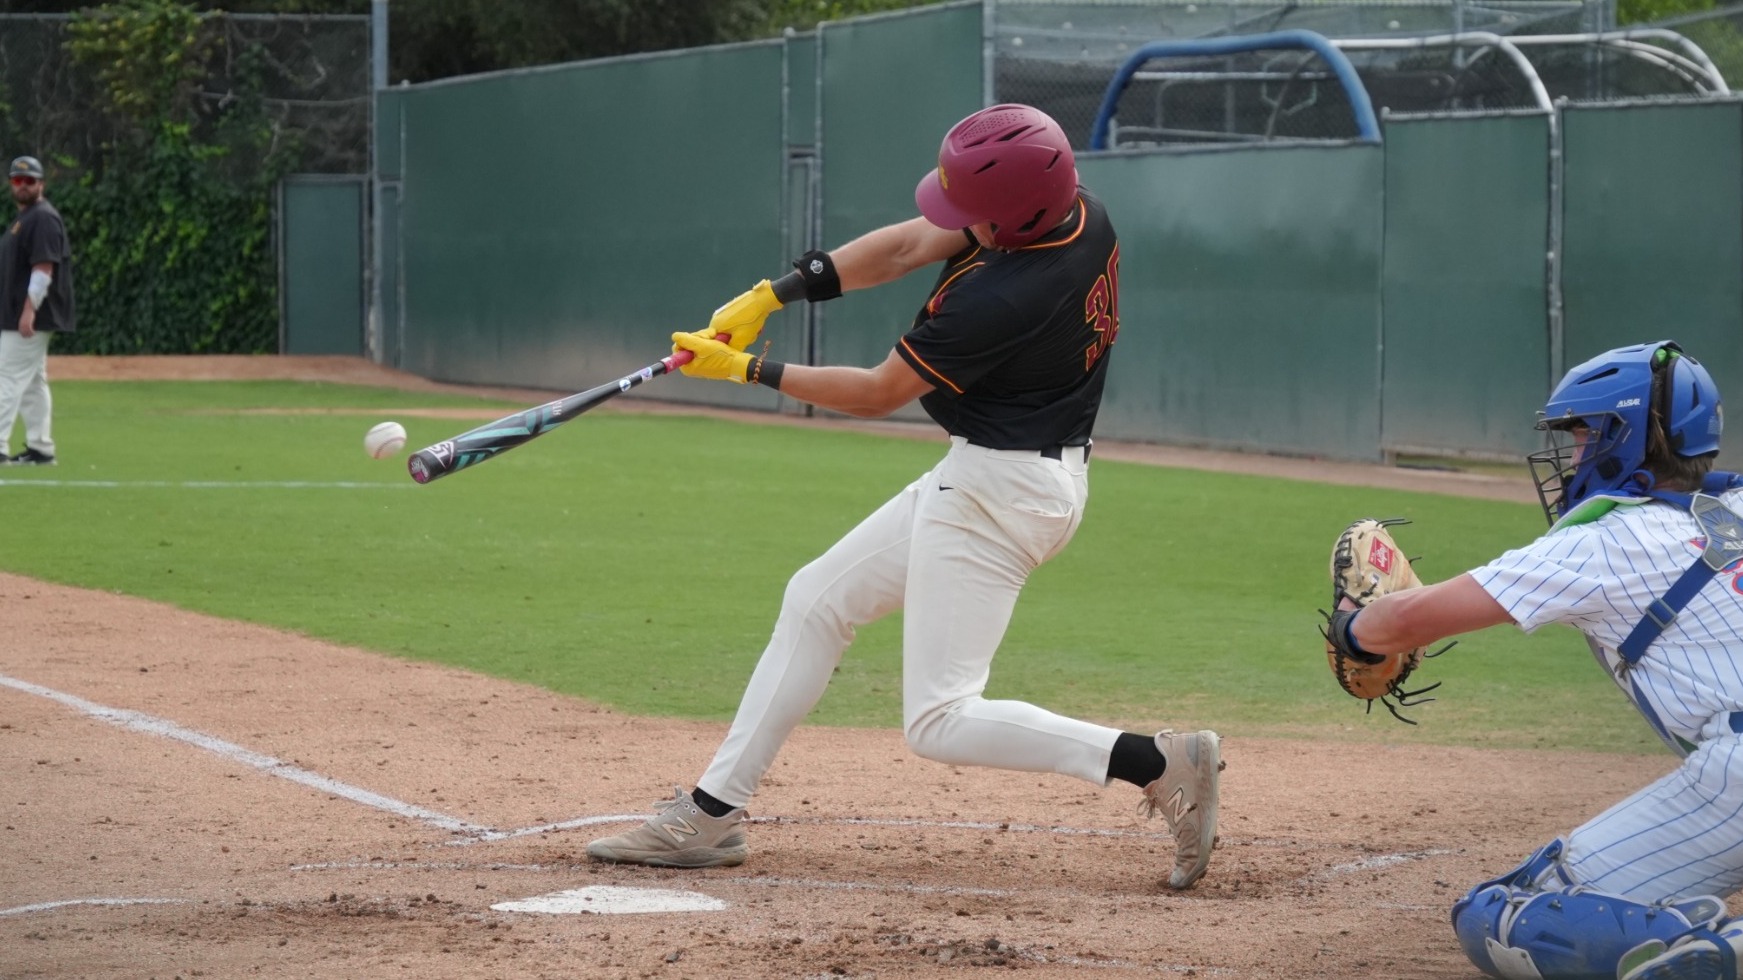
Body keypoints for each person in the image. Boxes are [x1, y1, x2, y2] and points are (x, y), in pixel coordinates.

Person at [585, 104, 1225, 890]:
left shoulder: (1005, 296)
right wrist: (771, 295)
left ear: (1016, 216)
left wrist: (744, 371)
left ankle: (1156, 762)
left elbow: (878, 391)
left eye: (974, 214)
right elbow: (907, 244)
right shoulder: (1072, 210)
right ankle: (712, 815)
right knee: (815, 599)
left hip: (999, 490)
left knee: (939, 719)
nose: (956, 221)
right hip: (1006, 473)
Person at [1324, 340, 1743, 980]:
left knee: (1511, 914)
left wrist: (1352, 625)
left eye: (1583, 437)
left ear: (1624, 441)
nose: (1572, 456)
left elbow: (1409, 620)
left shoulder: (1606, 541)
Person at [0, 155, 72, 466]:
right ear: (11, 185)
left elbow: (43, 269)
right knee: (31, 382)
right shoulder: (25, 219)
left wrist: (30, 310)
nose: (24, 185)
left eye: (30, 181)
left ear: (41, 184)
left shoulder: (42, 218)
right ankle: (41, 449)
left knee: (6, 376)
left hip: (29, 316)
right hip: (20, 314)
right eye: (18, 180)